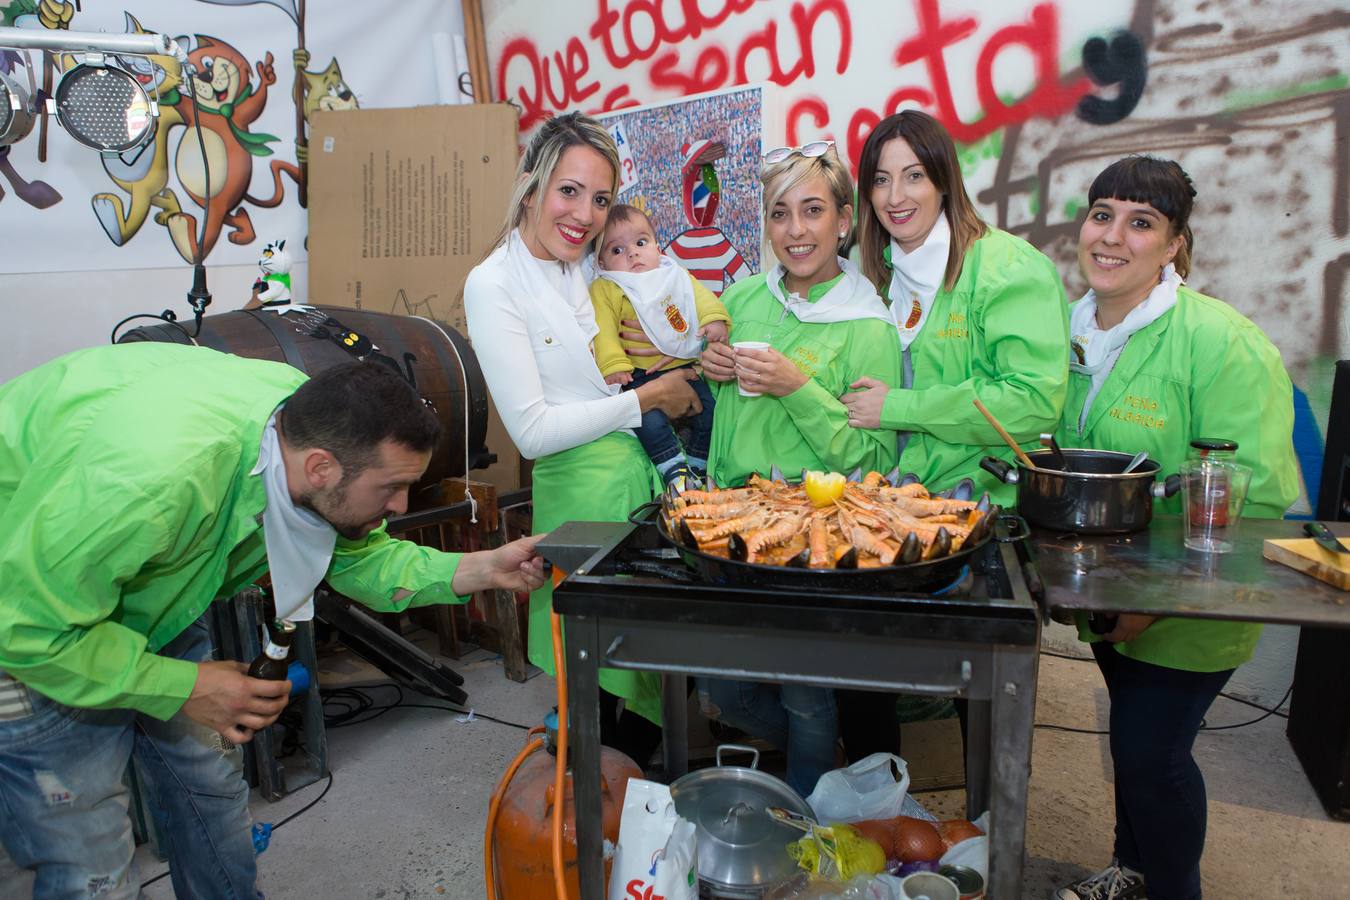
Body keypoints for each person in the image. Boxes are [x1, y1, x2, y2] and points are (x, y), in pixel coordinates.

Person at [0, 345, 548, 899]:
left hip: (149, 586)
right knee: (86, 851)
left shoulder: (305, 426)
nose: (404, 505)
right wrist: (183, 686)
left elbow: (356, 554)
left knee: (210, 780)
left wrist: (482, 567)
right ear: (320, 468)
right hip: (26, 610)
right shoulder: (148, 484)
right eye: (391, 488)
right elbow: (26, 630)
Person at [1052, 156, 1298, 900]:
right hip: (1107, 596)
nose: (1113, 237)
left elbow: (1257, 496)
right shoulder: (1072, 333)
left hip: (1190, 604)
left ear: (1173, 245)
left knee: (1150, 754)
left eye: (1141, 222)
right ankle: (1132, 872)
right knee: (1134, 748)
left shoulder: (1222, 342)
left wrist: (1152, 601)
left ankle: (1170, 889)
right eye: (1102, 215)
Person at [463, 112, 702, 765]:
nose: (586, 214)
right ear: (532, 185)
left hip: (639, 483)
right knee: (594, 687)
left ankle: (639, 822)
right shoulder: (494, 284)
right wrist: (646, 398)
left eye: (600, 199)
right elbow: (533, 430)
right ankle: (586, 829)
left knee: (645, 678)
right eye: (570, 191)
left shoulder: (583, 268)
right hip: (580, 495)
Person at [836, 109, 1071, 762]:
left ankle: (991, 827)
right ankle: (872, 807)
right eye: (881, 180)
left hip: (976, 518)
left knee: (981, 684)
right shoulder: (873, 272)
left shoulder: (1005, 268)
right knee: (862, 672)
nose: (895, 196)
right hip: (884, 506)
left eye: (913, 176)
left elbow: (1029, 402)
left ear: (944, 179)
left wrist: (901, 407)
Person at [695, 141, 904, 795]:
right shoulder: (744, 297)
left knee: (806, 693)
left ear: (843, 220)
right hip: (730, 526)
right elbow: (725, 411)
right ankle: (834, 759)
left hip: (813, 537)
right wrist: (714, 373)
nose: (795, 230)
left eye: (812, 211)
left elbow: (875, 460)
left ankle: (810, 830)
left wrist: (795, 386)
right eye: (780, 213)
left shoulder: (869, 326)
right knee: (721, 685)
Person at [591, 203, 730, 485]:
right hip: (638, 376)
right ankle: (673, 469)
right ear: (601, 263)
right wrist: (613, 364)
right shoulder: (607, 287)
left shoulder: (675, 276)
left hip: (685, 368)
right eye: (616, 250)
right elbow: (603, 328)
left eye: (641, 242)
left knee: (711, 411)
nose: (632, 252)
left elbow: (700, 299)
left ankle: (698, 464)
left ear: (658, 247)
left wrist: (714, 319)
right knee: (648, 422)